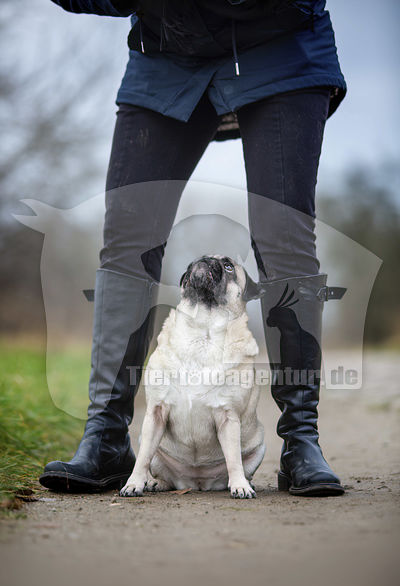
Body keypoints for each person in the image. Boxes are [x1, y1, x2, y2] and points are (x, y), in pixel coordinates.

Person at [40, 0, 347, 496]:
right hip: (166, 52)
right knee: (128, 239)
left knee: (284, 236)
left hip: (281, 49)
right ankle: (106, 436)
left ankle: (300, 439)